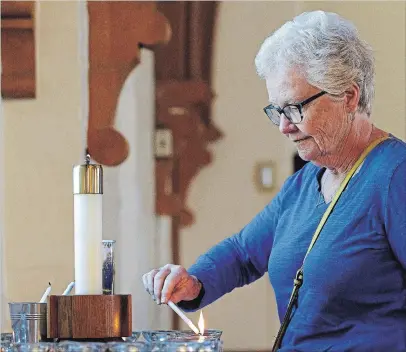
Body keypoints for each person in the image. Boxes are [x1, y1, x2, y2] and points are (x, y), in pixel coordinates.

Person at [142, 10, 406, 351]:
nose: (284, 126)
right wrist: (193, 282)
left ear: (349, 97)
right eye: (276, 111)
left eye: (295, 108)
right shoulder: (303, 184)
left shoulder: (394, 175)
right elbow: (242, 254)